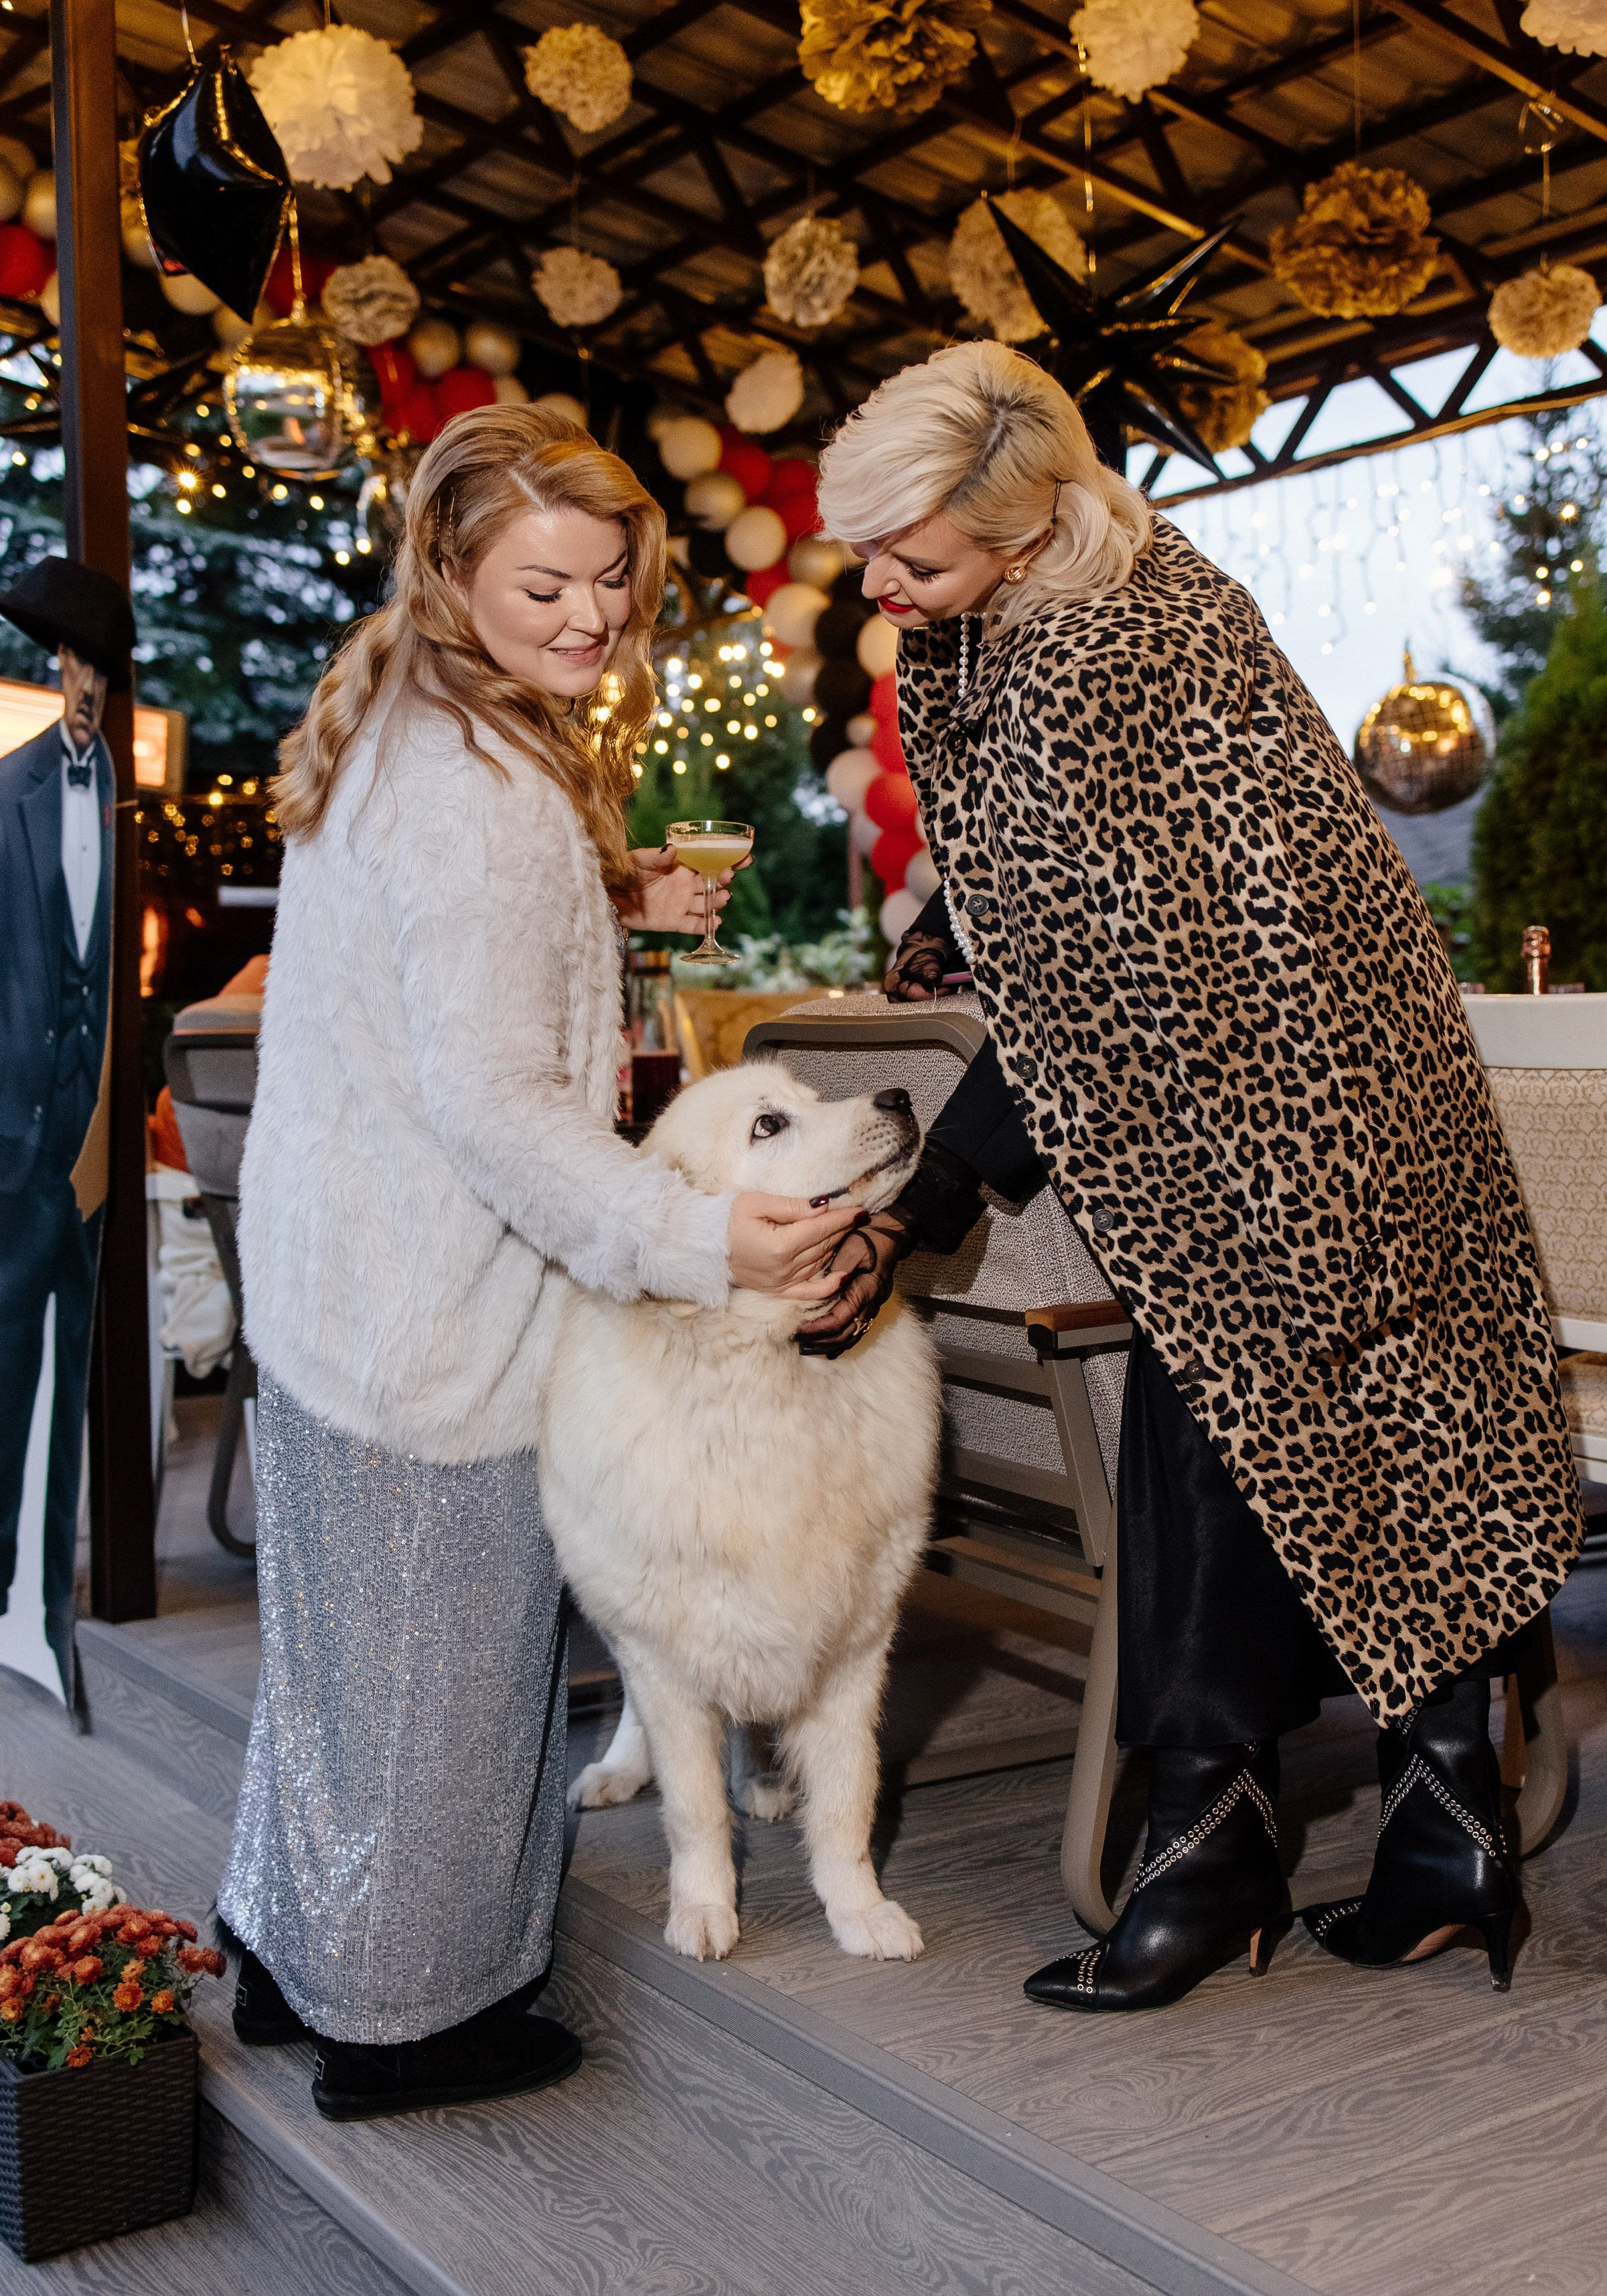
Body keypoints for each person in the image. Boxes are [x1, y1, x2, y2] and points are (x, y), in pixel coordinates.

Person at [803, 341, 1583, 2011]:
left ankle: (1212, 1851)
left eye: (912, 560)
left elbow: (1094, 993)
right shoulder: (1136, 603)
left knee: (1233, 1410)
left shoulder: (1088, 660)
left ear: (1020, 537)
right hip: (1350, 1083)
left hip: (1285, 1110)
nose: (878, 587)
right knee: (1377, 1421)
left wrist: (929, 1200)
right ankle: (1442, 1833)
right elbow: (1099, 948)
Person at [219, 405, 864, 2119]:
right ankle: (411, 2025)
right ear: (448, 572)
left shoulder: (409, 732)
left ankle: (293, 1954)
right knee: (443, 1676)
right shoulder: (483, 795)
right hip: (431, 1307)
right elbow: (503, 1112)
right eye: (546, 582)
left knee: (338, 1666)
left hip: (333, 1283)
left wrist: (607, 910)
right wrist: (701, 1233)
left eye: (611, 584)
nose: (589, 617)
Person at [0, 558, 135, 1705]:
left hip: (91, 1143)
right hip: (11, 1134)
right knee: (3, 1376)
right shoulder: (9, 793)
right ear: (54, 670)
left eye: (98, 666)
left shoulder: (125, 803)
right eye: (70, 663)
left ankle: (51, 1607)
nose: (83, 686)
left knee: (72, 1372)